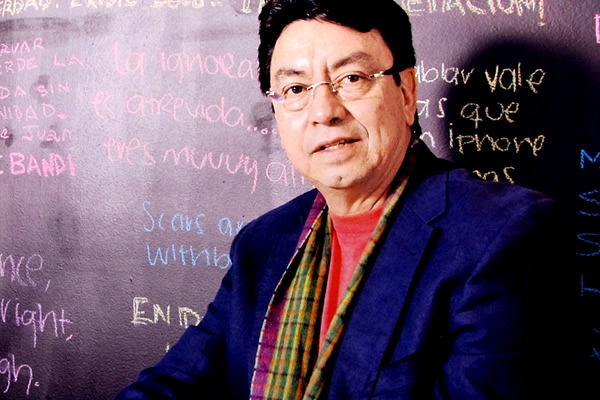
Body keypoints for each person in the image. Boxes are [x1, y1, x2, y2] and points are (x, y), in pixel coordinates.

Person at [115, 0, 578, 398]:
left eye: (352, 78)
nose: (324, 112)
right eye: (296, 89)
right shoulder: (263, 244)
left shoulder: (504, 237)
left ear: (406, 92)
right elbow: (176, 383)